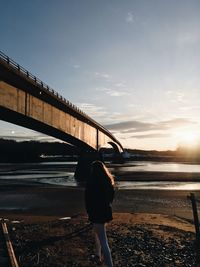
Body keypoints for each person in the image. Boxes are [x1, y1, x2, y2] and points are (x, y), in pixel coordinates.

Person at [85, 160, 114, 267]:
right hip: (105, 211)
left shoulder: (92, 182)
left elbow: (87, 199)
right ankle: (97, 255)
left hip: (96, 213)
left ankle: (110, 265)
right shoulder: (108, 180)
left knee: (103, 240)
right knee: (97, 232)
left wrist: (89, 211)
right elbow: (111, 197)